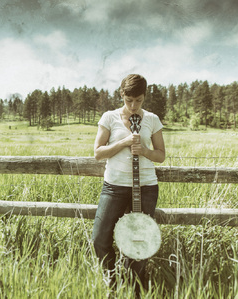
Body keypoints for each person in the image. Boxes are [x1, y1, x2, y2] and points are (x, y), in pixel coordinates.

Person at [92, 74, 165, 293]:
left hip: (146, 187)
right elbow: (98, 153)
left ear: (145, 97)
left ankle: (134, 288)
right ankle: (112, 284)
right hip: (114, 186)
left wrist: (144, 151)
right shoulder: (109, 117)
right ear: (122, 95)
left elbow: (161, 155)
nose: (133, 106)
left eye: (139, 101)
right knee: (99, 238)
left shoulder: (152, 119)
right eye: (129, 100)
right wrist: (124, 142)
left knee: (140, 241)